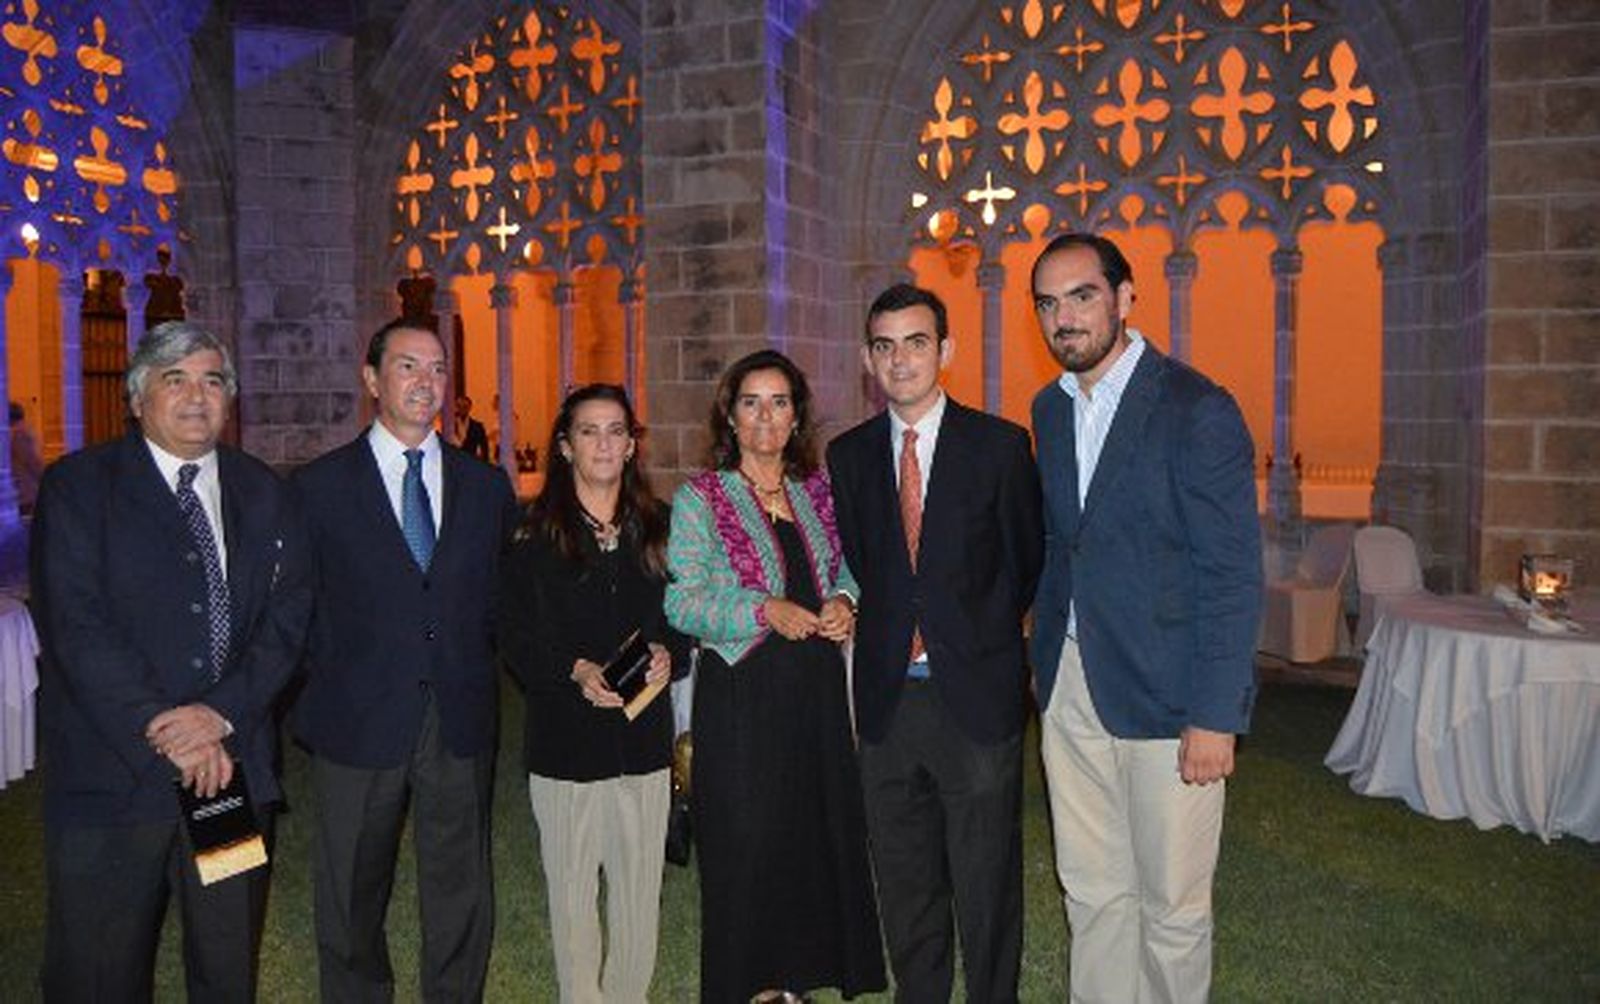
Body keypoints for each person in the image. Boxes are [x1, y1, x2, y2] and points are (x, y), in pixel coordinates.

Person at [32, 321, 312, 1001]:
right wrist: (169, 728)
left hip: (228, 773)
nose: (196, 396)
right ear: (137, 398)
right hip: (113, 775)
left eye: (212, 380)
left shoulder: (263, 491)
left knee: (226, 959)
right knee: (99, 970)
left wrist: (219, 715)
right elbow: (75, 625)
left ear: (230, 398)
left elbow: (288, 616)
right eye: (175, 379)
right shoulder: (80, 488)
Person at [1028, 232, 1262, 1002]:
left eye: (1082, 296)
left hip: (1168, 696)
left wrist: (1215, 715)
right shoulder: (1050, 410)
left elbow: (1231, 574)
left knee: (1172, 905)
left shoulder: (1196, 408)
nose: (1064, 317)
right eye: (1048, 303)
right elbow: (1066, 544)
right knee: (1092, 889)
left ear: (1126, 298)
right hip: (1070, 687)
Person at [827, 284, 1043, 1003]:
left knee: (986, 879)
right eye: (884, 346)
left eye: (916, 342)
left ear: (945, 350)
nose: (900, 360)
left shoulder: (1000, 447)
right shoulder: (849, 456)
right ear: (868, 359)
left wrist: (975, 640)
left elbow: (1024, 563)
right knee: (905, 878)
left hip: (975, 698)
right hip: (888, 701)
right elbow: (865, 560)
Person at [291, 320, 518, 1002]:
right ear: (371, 378)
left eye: (438, 368)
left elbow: (500, 599)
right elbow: (296, 607)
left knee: (460, 879)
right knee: (351, 882)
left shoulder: (485, 487)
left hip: (457, 713)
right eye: (408, 366)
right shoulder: (318, 488)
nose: (426, 382)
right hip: (357, 716)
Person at [665, 349, 885, 1003]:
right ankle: (751, 987)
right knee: (748, 843)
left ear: (797, 417)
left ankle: (796, 982)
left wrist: (844, 600)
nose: (766, 416)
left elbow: (849, 566)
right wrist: (764, 609)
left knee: (809, 837)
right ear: (730, 416)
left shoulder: (817, 493)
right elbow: (682, 602)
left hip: (815, 695)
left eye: (779, 402)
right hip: (742, 699)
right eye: (751, 402)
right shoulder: (701, 498)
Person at [498, 384, 688, 1003]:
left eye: (616, 431)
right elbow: (513, 636)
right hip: (566, 745)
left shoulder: (661, 527)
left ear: (631, 445)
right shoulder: (532, 534)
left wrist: (670, 652)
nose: (603, 444)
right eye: (588, 431)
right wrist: (574, 669)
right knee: (573, 894)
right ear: (565, 445)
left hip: (642, 742)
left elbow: (684, 617)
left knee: (638, 894)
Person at [9, 401, 43, 513]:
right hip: (26, 489)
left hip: (27, 490)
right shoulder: (19, 432)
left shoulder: (20, 433)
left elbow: (31, 460)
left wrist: (43, 478)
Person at [454, 394, 491, 462]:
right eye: (459, 406)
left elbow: (484, 448)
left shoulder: (477, 427)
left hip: (471, 461)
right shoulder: (450, 425)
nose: (462, 409)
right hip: (454, 461)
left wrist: (485, 464)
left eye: (465, 407)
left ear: (469, 408)